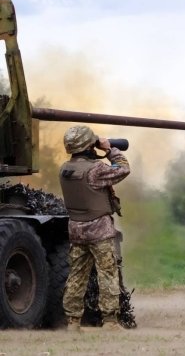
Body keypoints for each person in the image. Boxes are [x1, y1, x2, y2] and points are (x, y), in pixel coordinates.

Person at [59, 125, 130, 332]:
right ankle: (109, 321)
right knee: (107, 274)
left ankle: (73, 322)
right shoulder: (95, 169)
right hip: (99, 230)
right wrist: (109, 149)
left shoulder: (64, 169)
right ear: (88, 145)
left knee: (76, 276)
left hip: (76, 231)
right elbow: (123, 168)